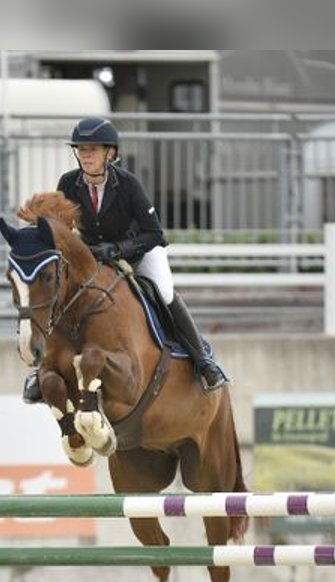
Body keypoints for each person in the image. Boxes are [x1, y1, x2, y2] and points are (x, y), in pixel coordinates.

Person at [21, 116, 228, 403]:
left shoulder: (129, 184)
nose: (86, 155)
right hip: (92, 255)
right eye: (81, 149)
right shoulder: (68, 183)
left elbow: (153, 233)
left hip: (139, 250)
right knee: (60, 292)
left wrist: (117, 249)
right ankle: (42, 368)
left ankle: (202, 360)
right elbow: (61, 230)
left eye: (93, 149)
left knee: (165, 293)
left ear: (110, 153)